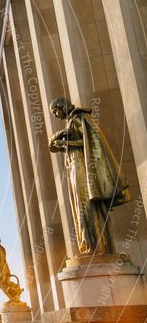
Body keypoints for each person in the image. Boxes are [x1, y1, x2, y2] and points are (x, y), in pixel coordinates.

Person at [48, 97, 130, 255]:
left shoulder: (78, 118)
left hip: (81, 166)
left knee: (85, 205)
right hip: (73, 167)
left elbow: (89, 142)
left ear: (62, 107)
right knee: (79, 207)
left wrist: (65, 144)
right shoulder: (71, 121)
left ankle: (96, 247)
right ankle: (88, 245)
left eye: (55, 111)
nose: (55, 116)